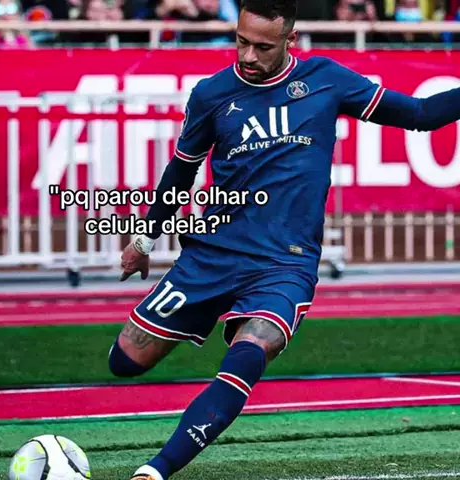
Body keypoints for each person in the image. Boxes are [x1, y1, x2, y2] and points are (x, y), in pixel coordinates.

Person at [108, 0, 460, 478]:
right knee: (126, 361)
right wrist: (145, 240)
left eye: (262, 47)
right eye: (241, 42)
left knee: (253, 348)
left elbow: (421, 113)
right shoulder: (212, 93)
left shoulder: (326, 80)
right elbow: (180, 172)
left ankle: (154, 470)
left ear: (290, 40)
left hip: (285, 264)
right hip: (212, 254)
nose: (248, 56)